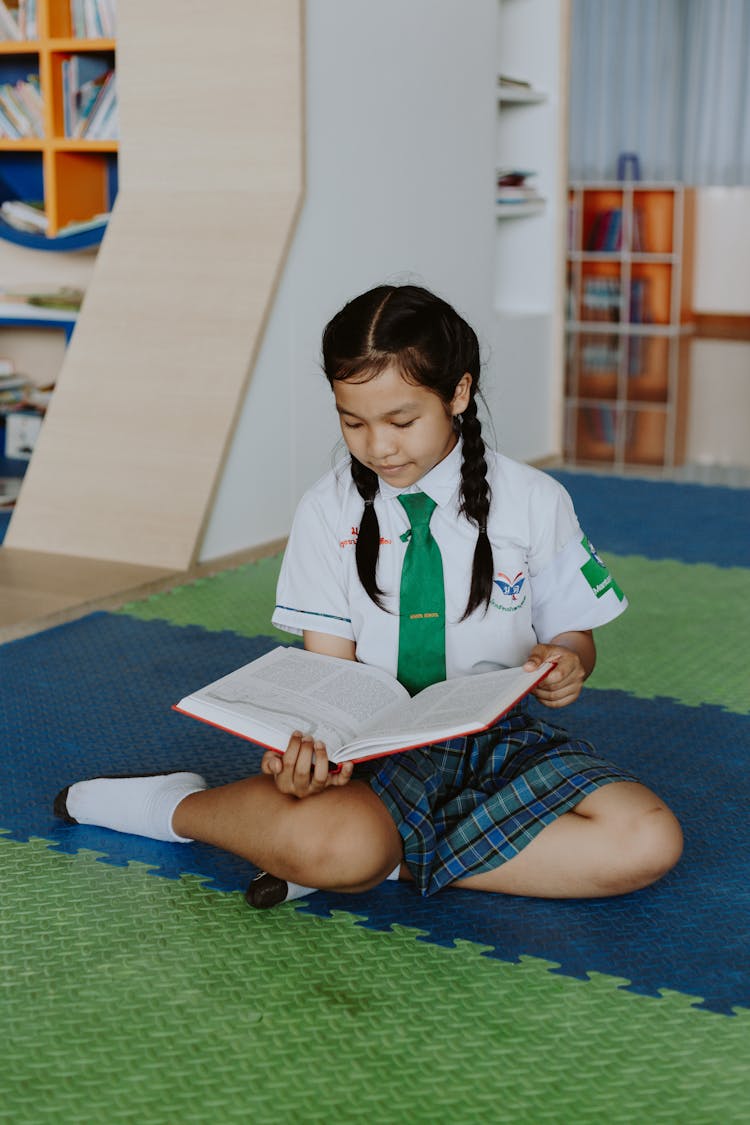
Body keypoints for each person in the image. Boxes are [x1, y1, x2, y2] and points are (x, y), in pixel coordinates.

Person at [54, 284, 683, 908]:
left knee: (646, 840)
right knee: (338, 843)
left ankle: (375, 860)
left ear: (459, 393)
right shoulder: (326, 510)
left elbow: (576, 635)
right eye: (353, 422)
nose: (379, 446)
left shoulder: (533, 501)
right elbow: (326, 675)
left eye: (401, 421)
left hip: (496, 739)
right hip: (373, 752)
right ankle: (171, 807)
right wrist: (304, 754)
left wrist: (568, 665)